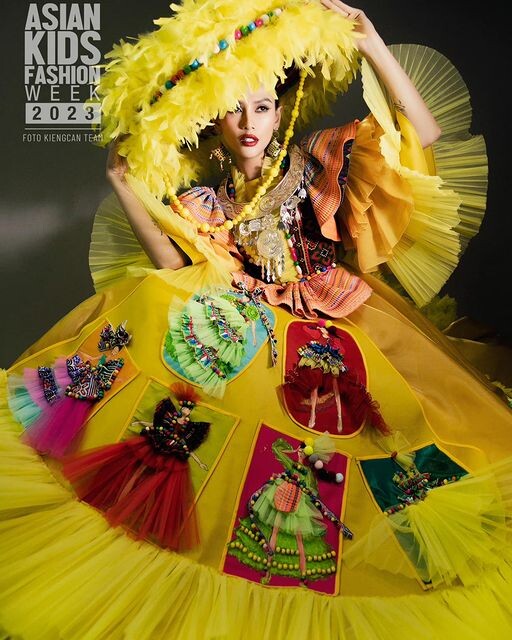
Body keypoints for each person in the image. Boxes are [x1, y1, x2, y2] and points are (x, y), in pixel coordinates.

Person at [1, 1, 511, 638]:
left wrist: (372, 45)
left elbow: (421, 136)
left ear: (281, 111)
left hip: (336, 324)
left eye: (263, 106)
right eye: (235, 108)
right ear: (212, 119)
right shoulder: (205, 201)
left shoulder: (318, 163)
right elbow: (174, 265)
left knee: (382, 444)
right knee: (172, 339)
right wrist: (124, 185)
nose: (249, 123)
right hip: (251, 327)